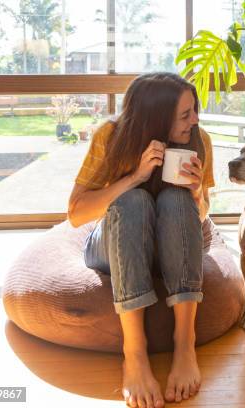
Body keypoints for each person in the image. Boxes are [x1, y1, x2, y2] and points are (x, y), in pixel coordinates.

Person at [67, 72, 215, 408]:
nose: (195, 119)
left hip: (171, 248)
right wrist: (135, 177)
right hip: (116, 243)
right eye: (185, 114)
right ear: (156, 118)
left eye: (194, 110)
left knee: (177, 200)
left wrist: (196, 193)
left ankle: (184, 342)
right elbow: (76, 214)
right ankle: (133, 353)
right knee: (133, 200)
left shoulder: (198, 139)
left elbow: (202, 216)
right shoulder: (112, 136)